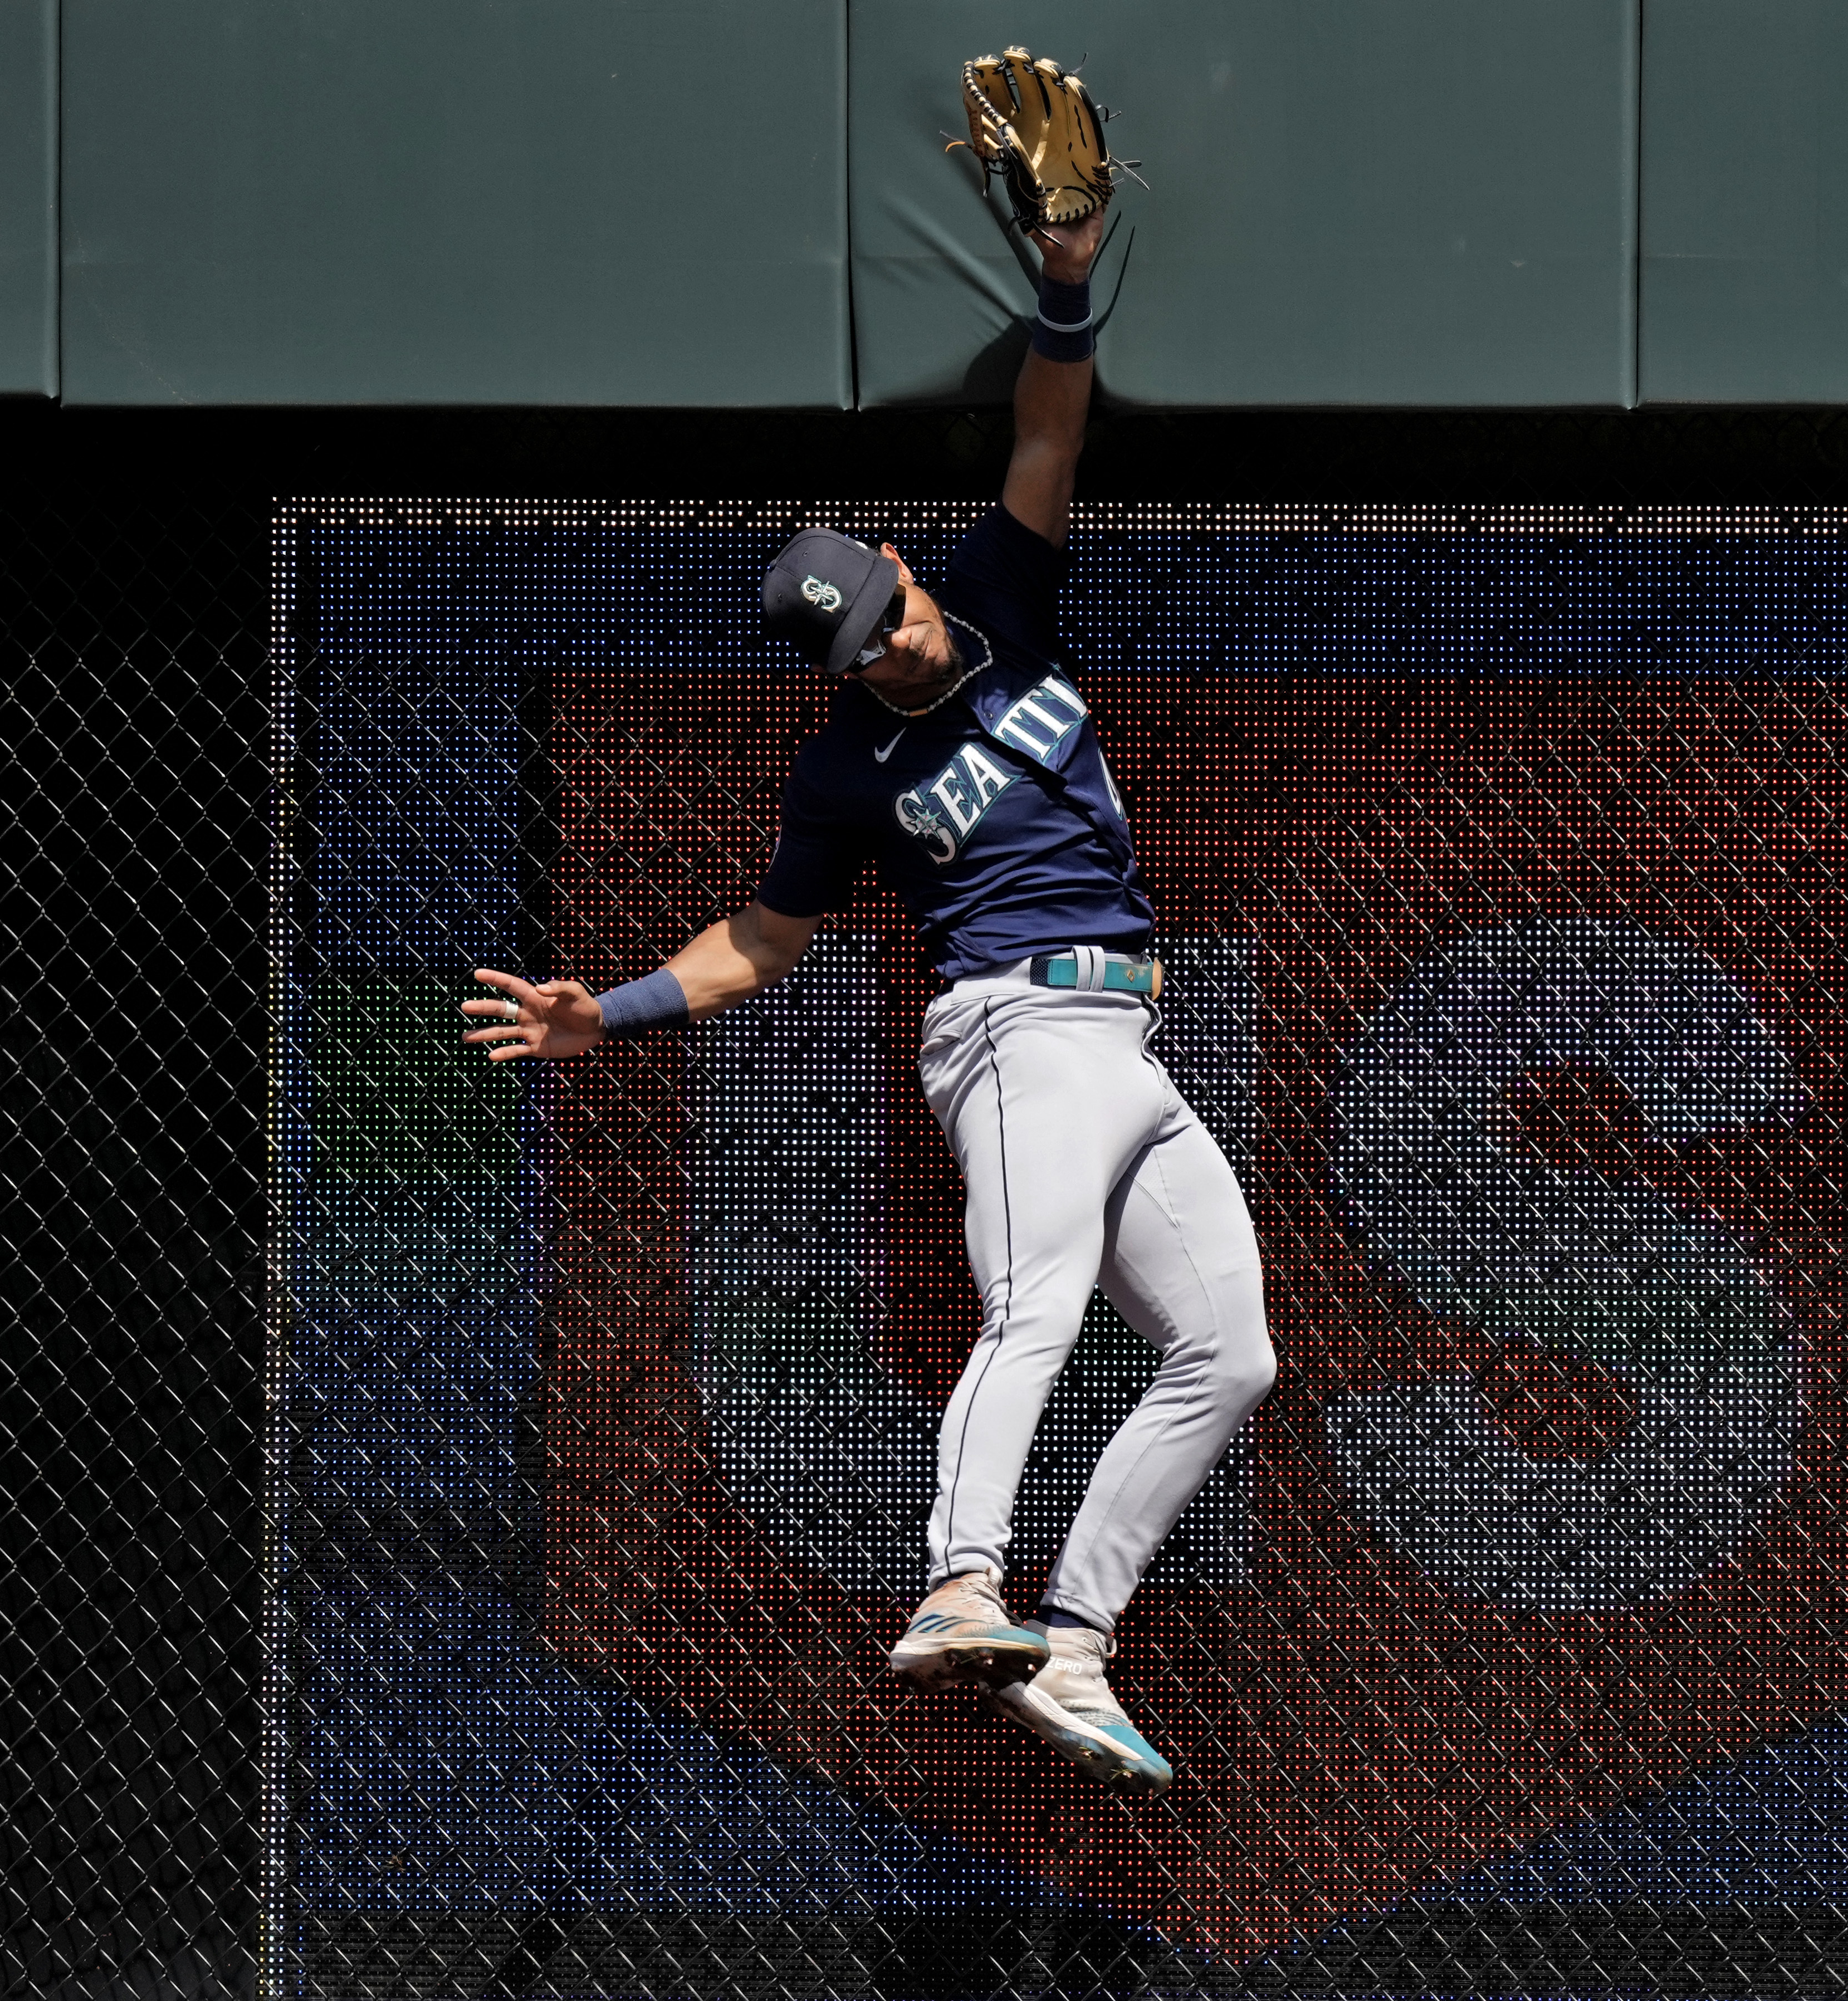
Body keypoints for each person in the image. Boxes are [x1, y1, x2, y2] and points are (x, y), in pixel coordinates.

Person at [461, 205, 1270, 1797]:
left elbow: (1050, 422)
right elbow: (765, 939)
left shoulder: (995, 597)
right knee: (1036, 1304)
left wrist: (1061, 271)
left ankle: (1079, 1639)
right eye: (866, 649)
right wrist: (603, 1011)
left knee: (1230, 1355)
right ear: (834, 667)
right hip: (1013, 1029)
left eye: (891, 611)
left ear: (900, 567)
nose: (897, 645)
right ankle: (960, 1582)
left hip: (1124, 1034)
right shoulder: (851, 766)